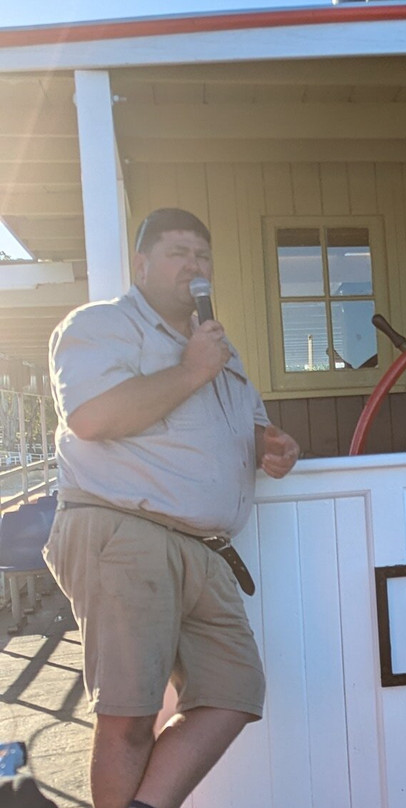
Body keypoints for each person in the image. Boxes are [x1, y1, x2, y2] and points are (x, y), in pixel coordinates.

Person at [44, 208, 300, 808]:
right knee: (130, 715)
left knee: (234, 691)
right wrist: (190, 370)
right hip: (126, 533)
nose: (194, 265)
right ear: (141, 265)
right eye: (178, 253)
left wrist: (271, 445)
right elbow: (92, 417)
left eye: (202, 255)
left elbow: (246, 428)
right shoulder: (101, 325)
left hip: (205, 550)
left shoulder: (219, 348)